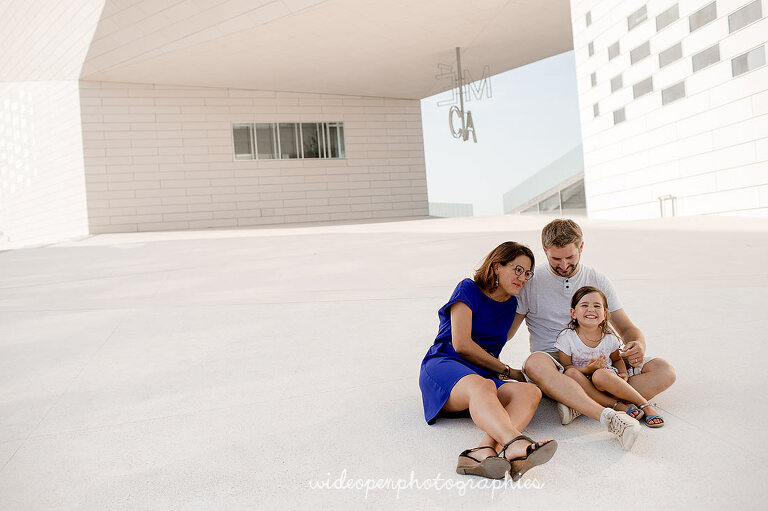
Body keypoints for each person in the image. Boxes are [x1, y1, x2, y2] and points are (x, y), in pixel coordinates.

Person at [510, 219, 676, 450]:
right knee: (535, 363)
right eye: (556, 259)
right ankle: (601, 401)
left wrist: (637, 344)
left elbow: (626, 328)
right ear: (544, 249)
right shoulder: (531, 282)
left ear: (581, 247)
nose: (564, 265)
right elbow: (506, 332)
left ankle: (577, 403)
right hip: (556, 362)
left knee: (664, 371)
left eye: (570, 257)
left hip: (601, 358)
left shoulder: (597, 278)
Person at [419, 242, 557, 481]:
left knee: (530, 393)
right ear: (496, 266)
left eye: (527, 273)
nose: (523, 277)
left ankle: (483, 451)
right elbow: (462, 345)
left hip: (483, 378)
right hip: (446, 364)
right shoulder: (468, 289)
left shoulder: (512, 305)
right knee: (485, 385)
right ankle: (514, 442)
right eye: (517, 269)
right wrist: (506, 370)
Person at [555, 286, 664, 428]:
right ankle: (617, 405)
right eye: (584, 305)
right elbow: (567, 366)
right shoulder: (567, 337)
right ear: (573, 313)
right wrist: (587, 370)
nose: (591, 309)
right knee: (570, 373)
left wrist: (623, 373)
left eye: (597, 306)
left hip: (606, 379)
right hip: (583, 380)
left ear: (605, 314)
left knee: (600, 375)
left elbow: (617, 359)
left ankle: (644, 404)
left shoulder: (608, 338)